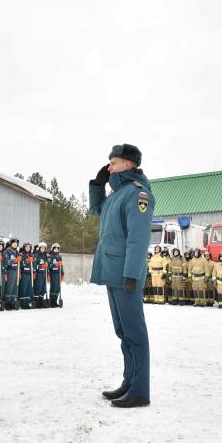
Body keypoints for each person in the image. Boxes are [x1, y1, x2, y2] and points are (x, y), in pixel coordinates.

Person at [89, 143, 153, 408]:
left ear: (128, 164)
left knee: (135, 333)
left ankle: (140, 390)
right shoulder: (116, 194)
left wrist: (131, 274)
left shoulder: (138, 195)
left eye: (113, 163)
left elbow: (138, 239)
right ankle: (129, 381)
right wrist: (97, 185)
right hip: (112, 272)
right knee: (122, 332)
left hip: (126, 275)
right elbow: (97, 210)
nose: (109, 166)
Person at [3, 238, 22, 310]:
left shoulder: (17, 251)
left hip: (16, 270)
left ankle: (12, 302)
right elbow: (6, 262)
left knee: (15, 287)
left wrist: (19, 272)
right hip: (10, 271)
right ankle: (7, 303)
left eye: (16, 243)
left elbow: (19, 264)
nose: (15, 244)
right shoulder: (7, 251)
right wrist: (14, 260)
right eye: (14, 243)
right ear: (11, 244)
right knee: (10, 287)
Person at [19, 242, 35, 309]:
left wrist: (34, 272)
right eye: (26, 247)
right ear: (24, 247)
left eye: (29, 247)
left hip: (30, 274)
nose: (28, 248)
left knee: (29, 289)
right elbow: (21, 264)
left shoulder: (31, 255)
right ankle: (23, 303)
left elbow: (33, 265)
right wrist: (27, 261)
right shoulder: (21, 254)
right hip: (24, 273)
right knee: (24, 289)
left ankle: (27, 302)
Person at [33, 242, 49, 308]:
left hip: (44, 274)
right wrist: (41, 266)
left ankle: (41, 300)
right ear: (39, 248)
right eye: (41, 248)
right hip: (39, 273)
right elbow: (34, 266)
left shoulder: (45, 255)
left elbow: (46, 265)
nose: (43, 249)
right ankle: (37, 302)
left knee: (43, 288)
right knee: (38, 287)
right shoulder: (36, 255)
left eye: (44, 248)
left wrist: (47, 273)